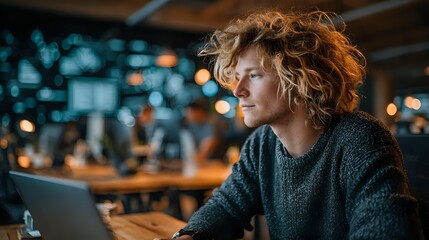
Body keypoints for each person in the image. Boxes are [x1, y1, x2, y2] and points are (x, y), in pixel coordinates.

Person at [164, 9, 425, 240]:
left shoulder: (361, 138)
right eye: (237, 78)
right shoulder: (262, 144)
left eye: (254, 75)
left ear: (300, 79)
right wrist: (189, 235)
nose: (238, 91)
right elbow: (226, 205)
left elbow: (387, 230)